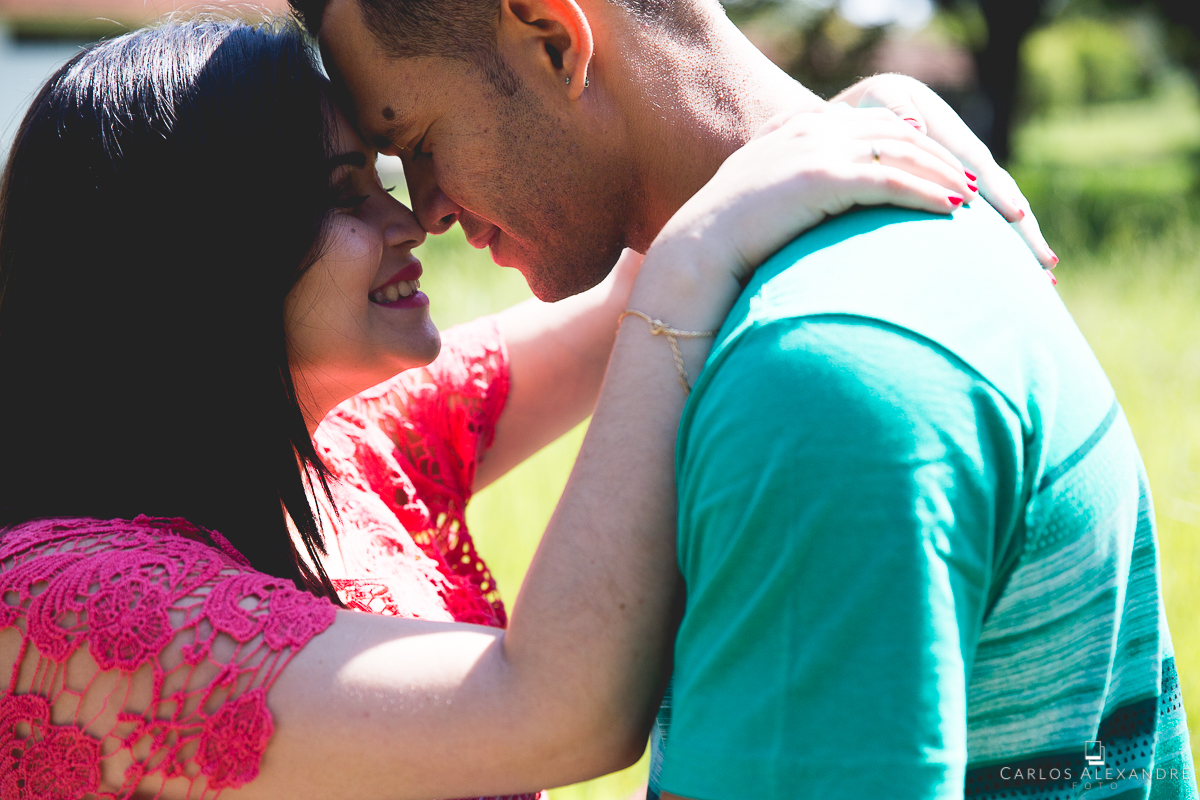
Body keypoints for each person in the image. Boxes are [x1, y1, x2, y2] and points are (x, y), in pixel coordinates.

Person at [0, 16, 980, 800]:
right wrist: (694, 261)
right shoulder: (58, 607)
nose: (411, 218)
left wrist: (869, 106)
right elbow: (559, 708)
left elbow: (631, 291)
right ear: (202, 256)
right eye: (348, 191)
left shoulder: (345, 447)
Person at [295, 1, 1197, 799]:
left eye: (417, 143)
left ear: (553, 40)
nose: (426, 212)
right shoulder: (904, 238)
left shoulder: (818, 376)